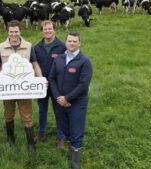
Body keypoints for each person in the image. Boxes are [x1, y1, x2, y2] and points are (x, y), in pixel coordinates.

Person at [0, 20, 43, 153]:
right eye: (11, 31)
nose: (14, 34)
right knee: (8, 114)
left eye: (16, 31)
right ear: (8, 32)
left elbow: (35, 64)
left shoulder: (29, 46)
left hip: (24, 88)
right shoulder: (0, 47)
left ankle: (31, 143)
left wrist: (40, 78)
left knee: (27, 115)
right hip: (7, 89)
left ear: (20, 31)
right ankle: (10, 138)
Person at [49, 32, 92, 169]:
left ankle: (75, 162)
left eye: (74, 41)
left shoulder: (84, 61)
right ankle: (70, 150)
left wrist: (67, 98)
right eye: (69, 41)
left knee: (76, 131)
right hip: (60, 101)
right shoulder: (59, 59)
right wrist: (58, 98)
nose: (71, 43)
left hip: (77, 103)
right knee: (64, 128)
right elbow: (52, 78)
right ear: (65, 42)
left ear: (79, 43)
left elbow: (83, 85)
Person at [34, 20, 66, 146]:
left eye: (50, 29)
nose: (47, 31)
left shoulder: (62, 46)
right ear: (42, 31)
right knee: (42, 109)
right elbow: (34, 65)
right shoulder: (37, 48)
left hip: (57, 85)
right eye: (45, 29)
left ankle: (61, 136)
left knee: (59, 110)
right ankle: (41, 133)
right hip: (42, 85)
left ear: (54, 30)